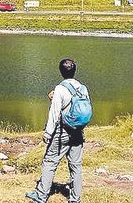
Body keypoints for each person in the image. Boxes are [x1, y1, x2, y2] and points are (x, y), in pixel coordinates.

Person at [26, 58, 90, 203]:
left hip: (62, 132)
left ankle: (41, 196)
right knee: (76, 166)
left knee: (49, 161)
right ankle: (75, 199)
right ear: (74, 71)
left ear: (61, 72)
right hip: (78, 131)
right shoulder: (82, 88)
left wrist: (48, 133)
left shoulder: (60, 89)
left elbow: (54, 113)